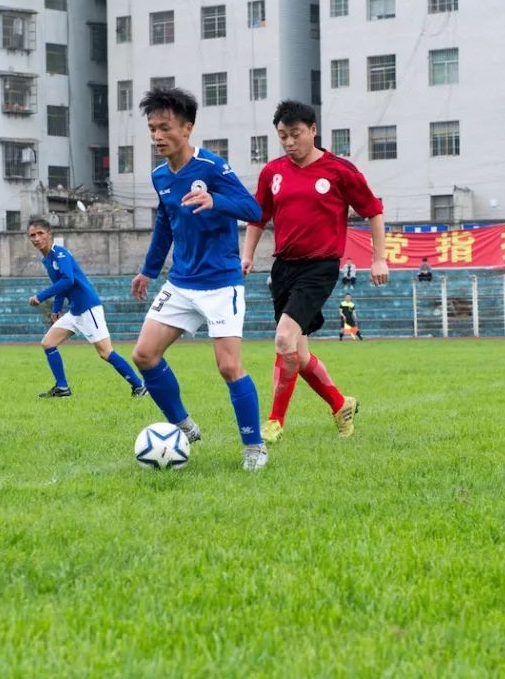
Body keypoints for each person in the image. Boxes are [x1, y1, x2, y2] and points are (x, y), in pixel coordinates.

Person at [131, 87, 268, 470]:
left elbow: (254, 209)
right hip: (180, 283)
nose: (157, 136)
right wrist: (148, 270)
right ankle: (183, 425)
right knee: (144, 355)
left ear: (187, 128)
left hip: (221, 283)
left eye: (165, 127)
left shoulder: (212, 167)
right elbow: (165, 223)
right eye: (152, 129)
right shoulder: (160, 175)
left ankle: (254, 447)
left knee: (228, 367)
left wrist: (216, 201)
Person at [242, 99, 389, 446]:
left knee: (283, 338)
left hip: (320, 267)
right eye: (282, 136)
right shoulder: (272, 172)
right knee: (299, 353)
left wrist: (379, 258)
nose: (289, 142)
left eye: (295, 134)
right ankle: (340, 405)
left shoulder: (339, 171)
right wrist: (246, 256)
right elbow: (258, 217)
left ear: (312, 130)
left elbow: (373, 210)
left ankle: (274, 421)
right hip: (284, 268)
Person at [27, 220, 146, 399]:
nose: (36, 238)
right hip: (75, 310)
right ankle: (62, 388)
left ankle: (139, 386)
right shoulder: (47, 259)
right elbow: (60, 284)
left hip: (88, 308)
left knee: (105, 352)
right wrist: (56, 308)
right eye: (32, 235)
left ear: (49, 234)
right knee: (48, 343)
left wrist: (40, 296)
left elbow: (68, 280)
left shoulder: (59, 253)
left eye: (40, 233)